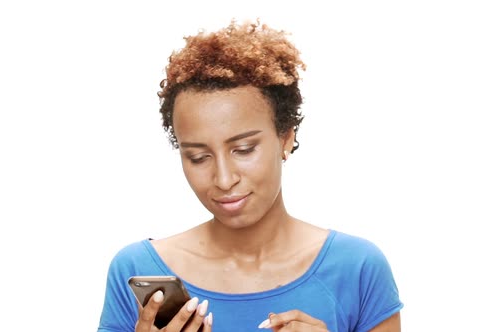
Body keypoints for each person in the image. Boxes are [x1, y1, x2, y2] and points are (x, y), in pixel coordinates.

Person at [98, 20, 403, 332]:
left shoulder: (358, 268)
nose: (224, 179)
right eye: (198, 157)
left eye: (243, 149)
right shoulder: (137, 267)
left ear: (285, 137)